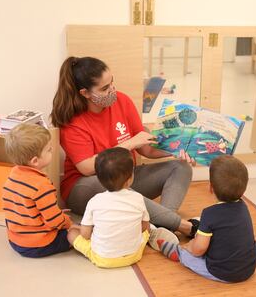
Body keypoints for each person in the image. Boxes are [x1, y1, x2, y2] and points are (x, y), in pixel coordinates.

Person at [50, 56, 198, 237]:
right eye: (104, 88)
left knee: (180, 167)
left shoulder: (123, 101)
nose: (112, 90)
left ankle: (162, 228)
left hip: (126, 178)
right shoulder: (73, 121)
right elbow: (87, 168)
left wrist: (180, 149)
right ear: (85, 93)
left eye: (112, 83)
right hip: (87, 185)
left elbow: (147, 149)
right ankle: (182, 226)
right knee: (110, 186)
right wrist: (129, 144)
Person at [67, 147, 178, 268]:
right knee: (146, 230)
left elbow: (85, 235)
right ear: (130, 178)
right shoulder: (138, 198)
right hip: (134, 255)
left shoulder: (94, 201)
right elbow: (144, 227)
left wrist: (85, 228)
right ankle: (155, 232)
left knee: (72, 233)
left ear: (98, 178)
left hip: (103, 259)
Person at [155, 155, 256, 283]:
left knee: (191, 255)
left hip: (223, 273)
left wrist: (188, 246)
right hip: (249, 268)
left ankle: (178, 253)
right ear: (243, 191)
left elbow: (198, 250)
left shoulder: (210, 214)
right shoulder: (244, 207)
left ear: (211, 188)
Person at [2, 123, 72, 258]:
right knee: (73, 233)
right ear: (35, 161)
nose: (52, 151)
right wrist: (67, 221)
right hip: (38, 245)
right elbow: (54, 221)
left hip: (15, 240)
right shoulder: (41, 185)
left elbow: (25, 207)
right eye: (49, 150)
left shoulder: (13, 175)